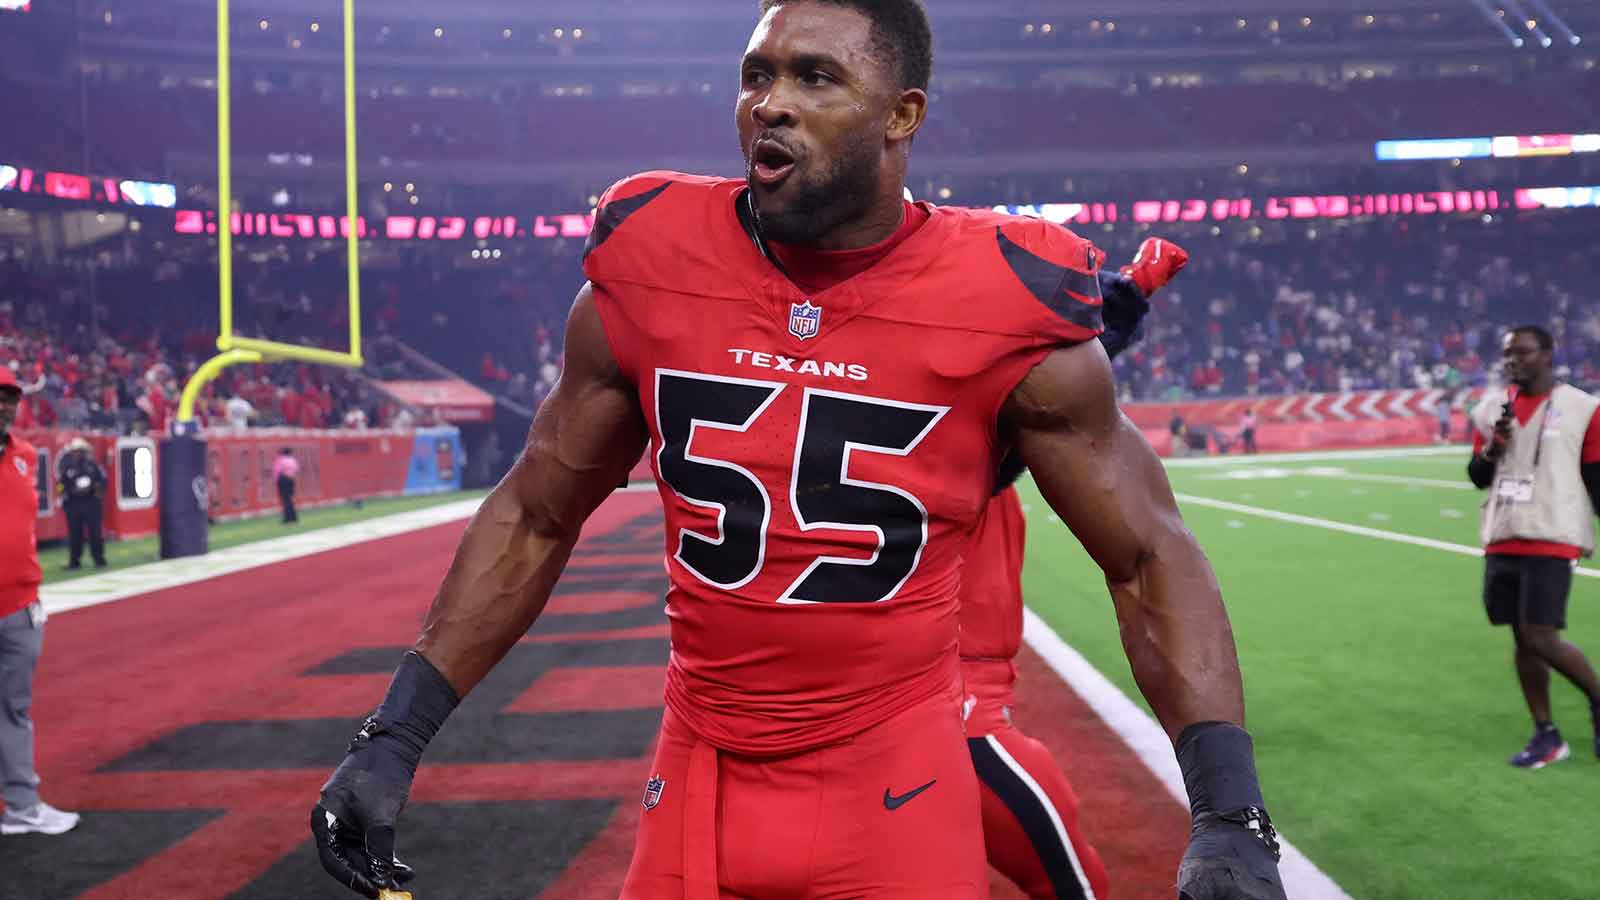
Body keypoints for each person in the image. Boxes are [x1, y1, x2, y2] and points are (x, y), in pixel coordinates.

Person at [312, 3, 1284, 899]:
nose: (769, 103)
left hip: (897, 783)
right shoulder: (650, 257)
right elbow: (535, 514)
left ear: (900, 115)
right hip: (696, 773)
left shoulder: (1007, 292)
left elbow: (1146, 551)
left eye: (815, 77)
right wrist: (390, 738)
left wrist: (1228, 811)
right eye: (756, 73)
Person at [963, 237, 1184, 900]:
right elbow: (1031, 393)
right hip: (949, 716)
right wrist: (1125, 300)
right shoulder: (964, 436)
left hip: (895, 706)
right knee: (1076, 887)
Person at [1467, 325, 1600, 768]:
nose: (1513, 360)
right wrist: (1493, 448)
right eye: (1508, 354)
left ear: (1547, 354)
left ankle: (1598, 698)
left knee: (1541, 636)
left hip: (1554, 533)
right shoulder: (1490, 410)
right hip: (1504, 530)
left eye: (1522, 352)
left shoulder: (1583, 409)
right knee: (1522, 639)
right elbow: (1477, 476)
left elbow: (1596, 477)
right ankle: (1546, 733)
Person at [0, 366, 80, 836]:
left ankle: (22, 805)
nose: (5, 405)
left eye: (11, 397)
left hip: (20, 607)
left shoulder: (25, 456)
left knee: (13, 711)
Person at [55, 437, 107, 570]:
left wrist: (96, 492)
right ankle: (74, 561)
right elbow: (60, 484)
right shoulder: (67, 468)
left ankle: (99, 559)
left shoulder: (93, 465)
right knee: (74, 534)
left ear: (84, 452)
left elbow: (102, 481)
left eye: (79, 451)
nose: (77, 454)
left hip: (91, 503)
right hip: (74, 504)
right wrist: (63, 493)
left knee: (95, 533)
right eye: (74, 451)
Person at [273, 447, 299, 525]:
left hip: (283, 479)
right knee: (290, 499)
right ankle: (293, 517)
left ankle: (287, 518)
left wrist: (276, 480)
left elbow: (277, 470)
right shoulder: (292, 460)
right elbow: (296, 469)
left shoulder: (281, 460)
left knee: (285, 500)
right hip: (291, 479)